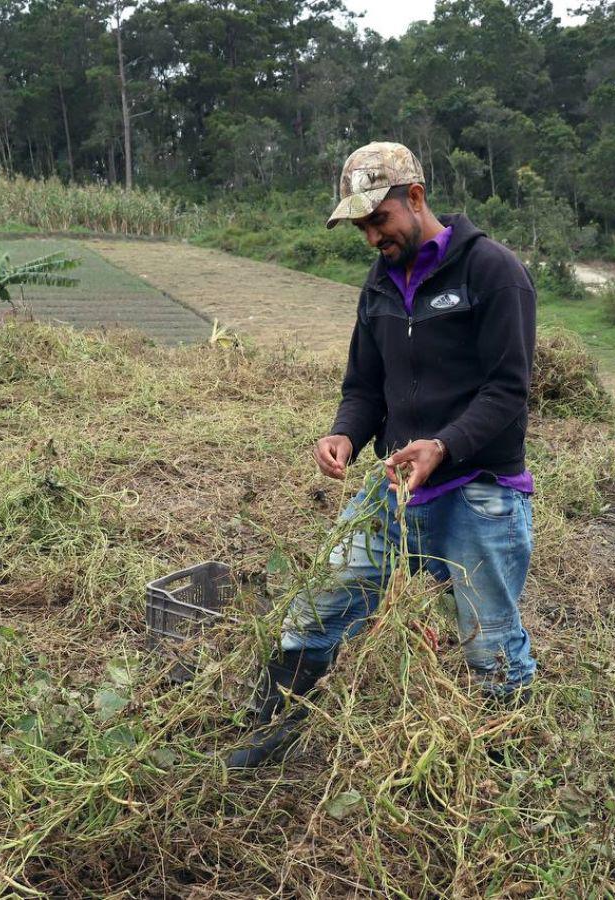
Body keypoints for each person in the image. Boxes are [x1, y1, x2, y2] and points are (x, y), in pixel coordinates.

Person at [228, 141, 537, 768]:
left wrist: (444, 446)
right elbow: (365, 387)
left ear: (415, 198)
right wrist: (344, 432)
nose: (372, 237)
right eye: (361, 226)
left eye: (378, 220)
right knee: (318, 607)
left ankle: (508, 770)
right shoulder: (379, 285)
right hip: (396, 487)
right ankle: (272, 729)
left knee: (489, 643)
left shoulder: (492, 272)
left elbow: (508, 390)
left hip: (481, 488)